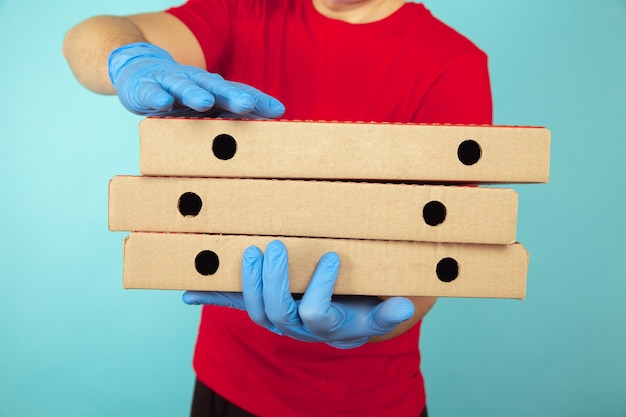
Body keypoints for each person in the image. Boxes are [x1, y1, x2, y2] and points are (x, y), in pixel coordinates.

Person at [63, 1, 492, 415]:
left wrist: (369, 321)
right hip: (228, 382)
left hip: (367, 399)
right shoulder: (244, 10)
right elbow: (88, 36)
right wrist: (131, 59)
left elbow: (435, 259)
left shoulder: (453, 62)